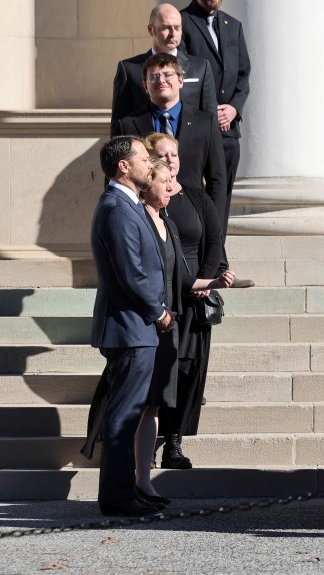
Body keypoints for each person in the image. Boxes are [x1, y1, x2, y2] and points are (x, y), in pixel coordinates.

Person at [132, 159, 233, 501]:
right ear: (147, 185)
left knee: (157, 402)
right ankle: (129, 479)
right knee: (142, 404)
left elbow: (183, 279)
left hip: (168, 321)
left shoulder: (167, 223)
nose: (172, 187)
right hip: (147, 323)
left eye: (174, 177)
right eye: (165, 181)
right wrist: (155, 311)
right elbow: (132, 273)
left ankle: (143, 481)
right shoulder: (135, 217)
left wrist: (215, 280)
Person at [88, 136, 174, 517]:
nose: (149, 162)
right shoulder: (116, 207)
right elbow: (130, 273)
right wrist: (158, 312)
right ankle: (117, 497)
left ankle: (125, 490)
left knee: (129, 410)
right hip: (130, 326)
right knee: (123, 415)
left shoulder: (128, 204)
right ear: (124, 166)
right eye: (142, 157)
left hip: (135, 327)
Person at [112, 53, 228, 266]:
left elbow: (218, 180)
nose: (161, 81)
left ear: (181, 80)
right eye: (153, 77)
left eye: (168, 75)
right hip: (145, 222)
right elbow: (118, 178)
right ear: (145, 86)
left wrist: (215, 228)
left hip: (193, 225)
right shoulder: (127, 125)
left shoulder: (205, 123)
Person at [179, 0, 251, 231]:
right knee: (200, 197)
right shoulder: (183, 23)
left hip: (229, 131)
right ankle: (203, 261)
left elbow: (244, 75)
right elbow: (185, 78)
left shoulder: (233, 26)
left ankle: (218, 258)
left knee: (223, 198)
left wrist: (233, 109)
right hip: (200, 129)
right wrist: (212, 113)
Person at [111, 4, 217, 125]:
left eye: (177, 28)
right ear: (151, 29)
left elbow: (210, 119)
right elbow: (119, 123)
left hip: (191, 141)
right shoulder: (129, 69)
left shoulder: (201, 67)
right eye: (166, 28)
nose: (172, 33)